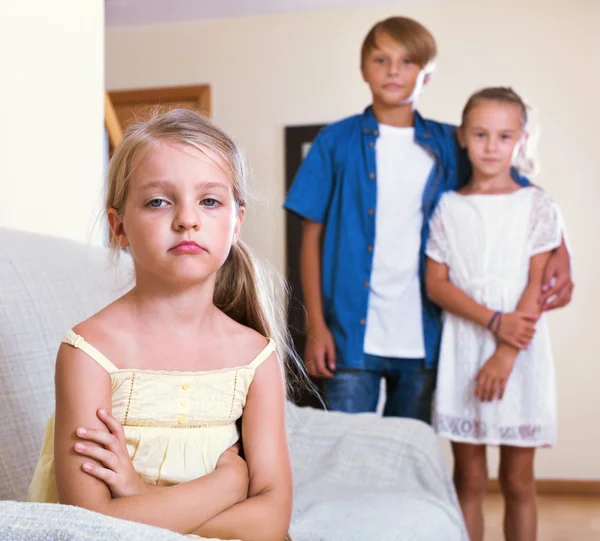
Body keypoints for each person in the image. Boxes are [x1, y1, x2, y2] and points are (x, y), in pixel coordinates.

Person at [283, 16, 573, 423]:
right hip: (350, 333)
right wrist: (316, 327)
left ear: (427, 75)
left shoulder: (452, 140)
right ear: (363, 68)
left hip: (428, 337)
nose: (393, 71)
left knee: (410, 459)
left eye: (407, 61)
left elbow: (522, 192)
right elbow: (310, 238)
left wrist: (563, 250)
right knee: (345, 455)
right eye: (381, 59)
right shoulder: (335, 142)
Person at [28, 109, 294, 541]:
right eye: (158, 201)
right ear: (119, 228)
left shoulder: (256, 356)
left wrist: (135, 496)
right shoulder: (89, 353)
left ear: (236, 222)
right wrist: (224, 485)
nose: (187, 219)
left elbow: (272, 521)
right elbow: (90, 524)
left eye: (209, 201)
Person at [425, 87, 563, 541]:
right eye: (481, 134)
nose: (490, 145)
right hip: (466, 346)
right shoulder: (448, 206)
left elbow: (536, 283)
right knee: (468, 477)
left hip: (520, 351)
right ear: (463, 136)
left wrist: (505, 353)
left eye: (504, 136)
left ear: (521, 140)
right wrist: (491, 322)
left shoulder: (537, 204)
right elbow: (437, 284)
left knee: (518, 480)